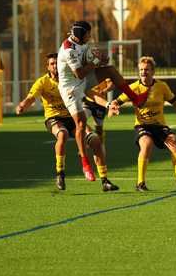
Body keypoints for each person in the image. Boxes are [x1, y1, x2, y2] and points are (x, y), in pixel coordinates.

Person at [57, 20, 149, 182]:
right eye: (88, 33)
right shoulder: (68, 50)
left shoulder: (82, 43)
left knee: (111, 70)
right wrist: (95, 62)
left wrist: (102, 59)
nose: (90, 36)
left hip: (82, 81)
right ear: (80, 34)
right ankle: (85, 163)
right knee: (81, 124)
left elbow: (90, 63)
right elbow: (79, 73)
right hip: (70, 88)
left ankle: (135, 99)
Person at [15, 53, 119, 191]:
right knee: (62, 134)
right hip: (54, 118)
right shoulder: (42, 82)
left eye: (56, 63)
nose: (55, 66)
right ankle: (60, 173)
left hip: (73, 117)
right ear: (48, 66)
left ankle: (105, 181)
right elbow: (31, 98)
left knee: (95, 141)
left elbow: (91, 94)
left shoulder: (71, 79)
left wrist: (107, 104)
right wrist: (22, 105)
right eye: (52, 64)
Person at [111, 56, 176, 192]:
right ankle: (140, 183)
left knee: (174, 142)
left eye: (146, 69)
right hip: (142, 126)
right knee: (146, 144)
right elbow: (117, 101)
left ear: (153, 71)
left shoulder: (161, 86)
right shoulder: (133, 87)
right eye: (141, 70)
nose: (143, 72)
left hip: (159, 126)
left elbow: (175, 101)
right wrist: (114, 107)